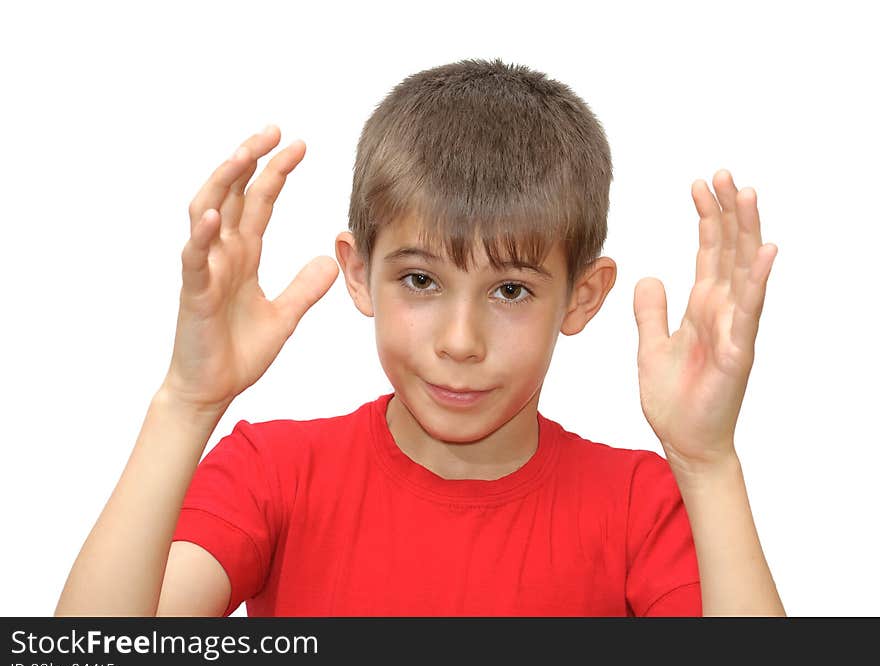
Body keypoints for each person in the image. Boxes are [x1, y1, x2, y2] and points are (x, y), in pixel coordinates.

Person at [55, 58, 785, 617]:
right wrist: (186, 402)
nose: (460, 341)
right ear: (359, 272)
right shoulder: (271, 472)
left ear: (582, 295)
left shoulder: (640, 504)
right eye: (421, 281)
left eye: (510, 290)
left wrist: (708, 461)